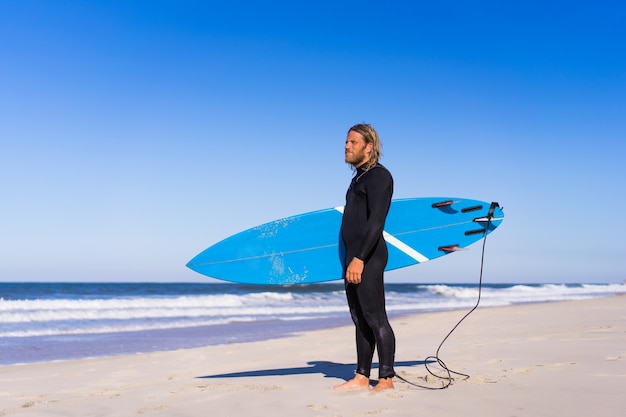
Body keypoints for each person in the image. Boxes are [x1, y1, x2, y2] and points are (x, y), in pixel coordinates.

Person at [333, 123, 396, 392]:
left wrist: (359, 258)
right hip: (353, 258)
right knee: (359, 318)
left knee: (375, 317)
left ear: (369, 147)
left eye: (353, 142)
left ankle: (386, 379)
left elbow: (376, 221)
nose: (346, 146)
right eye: (346, 142)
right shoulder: (357, 179)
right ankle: (361, 376)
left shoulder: (379, 177)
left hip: (368, 256)